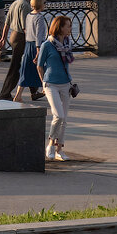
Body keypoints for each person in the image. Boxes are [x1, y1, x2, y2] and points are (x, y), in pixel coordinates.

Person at [36, 15, 78, 162]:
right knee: (58, 115)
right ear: (59, 27)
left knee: (64, 119)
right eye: (68, 26)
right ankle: (50, 145)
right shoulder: (47, 45)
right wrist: (43, 84)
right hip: (51, 84)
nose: (70, 28)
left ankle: (59, 149)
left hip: (66, 84)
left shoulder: (67, 43)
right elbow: (39, 65)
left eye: (70, 25)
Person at [0, 0, 36, 100]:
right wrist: (33, 40)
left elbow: (7, 23)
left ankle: (34, 91)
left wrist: (3, 38)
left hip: (14, 36)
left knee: (30, 63)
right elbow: (25, 27)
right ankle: (5, 93)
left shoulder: (15, 3)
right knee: (16, 67)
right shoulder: (25, 6)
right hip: (21, 38)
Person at [12, 0, 47, 103]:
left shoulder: (28, 16)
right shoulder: (40, 18)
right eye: (44, 3)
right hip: (37, 45)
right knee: (42, 69)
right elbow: (39, 35)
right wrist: (38, 50)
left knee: (25, 71)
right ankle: (46, 89)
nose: (45, 5)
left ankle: (18, 95)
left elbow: (27, 30)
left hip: (28, 44)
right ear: (41, 5)